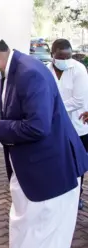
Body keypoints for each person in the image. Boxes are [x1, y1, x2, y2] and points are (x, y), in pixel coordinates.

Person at [0, 30, 88, 248]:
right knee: (27, 237)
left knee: (45, 245)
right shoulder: (10, 71)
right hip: (33, 169)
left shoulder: (29, 73)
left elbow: (38, 126)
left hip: (52, 172)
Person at [48, 38, 88, 210]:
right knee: (57, 161)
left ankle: (77, 196)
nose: (65, 61)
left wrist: (51, 107)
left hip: (78, 125)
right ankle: (59, 195)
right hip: (55, 126)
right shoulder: (46, 70)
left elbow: (78, 101)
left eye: (68, 57)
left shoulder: (78, 69)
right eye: (61, 57)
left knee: (77, 162)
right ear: (52, 55)